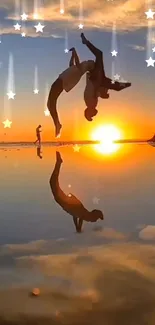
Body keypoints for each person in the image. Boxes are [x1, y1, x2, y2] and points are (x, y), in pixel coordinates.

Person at [81, 33, 131, 121]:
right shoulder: (88, 102)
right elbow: (90, 90)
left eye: (92, 115)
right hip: (96, 79)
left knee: (99, 54)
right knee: (116, 86)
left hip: (96, 79)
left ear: (90, 111)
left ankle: (86, 42)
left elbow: (94, 90)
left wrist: (103, 94)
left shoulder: (91, 104)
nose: (95, 114)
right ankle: (124, 85)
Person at [49, 151, 104, 233]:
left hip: (62, 201)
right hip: (62, 200)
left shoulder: (82, 213)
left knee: (53, 182)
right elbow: (80, 217)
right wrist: (79, 227)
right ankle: (59, 162)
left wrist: (77, 227)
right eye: (94, 219)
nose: (92, 221)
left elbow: (75, 216)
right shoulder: (84, 213)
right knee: (53, 182)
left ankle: (59, 162)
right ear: (92, 216)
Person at [47, 48, 95, 138]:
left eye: (90, 61)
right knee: (50, 104)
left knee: (51, 103)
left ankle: (57, 124)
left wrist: (75, 51)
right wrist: (72, 56)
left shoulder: (81, 69)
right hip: (60, 81)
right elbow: (71, 65)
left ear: (89, 66)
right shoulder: (78, 68)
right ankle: (57, 124)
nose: (88, 60)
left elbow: (77, 63)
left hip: (60, 82)